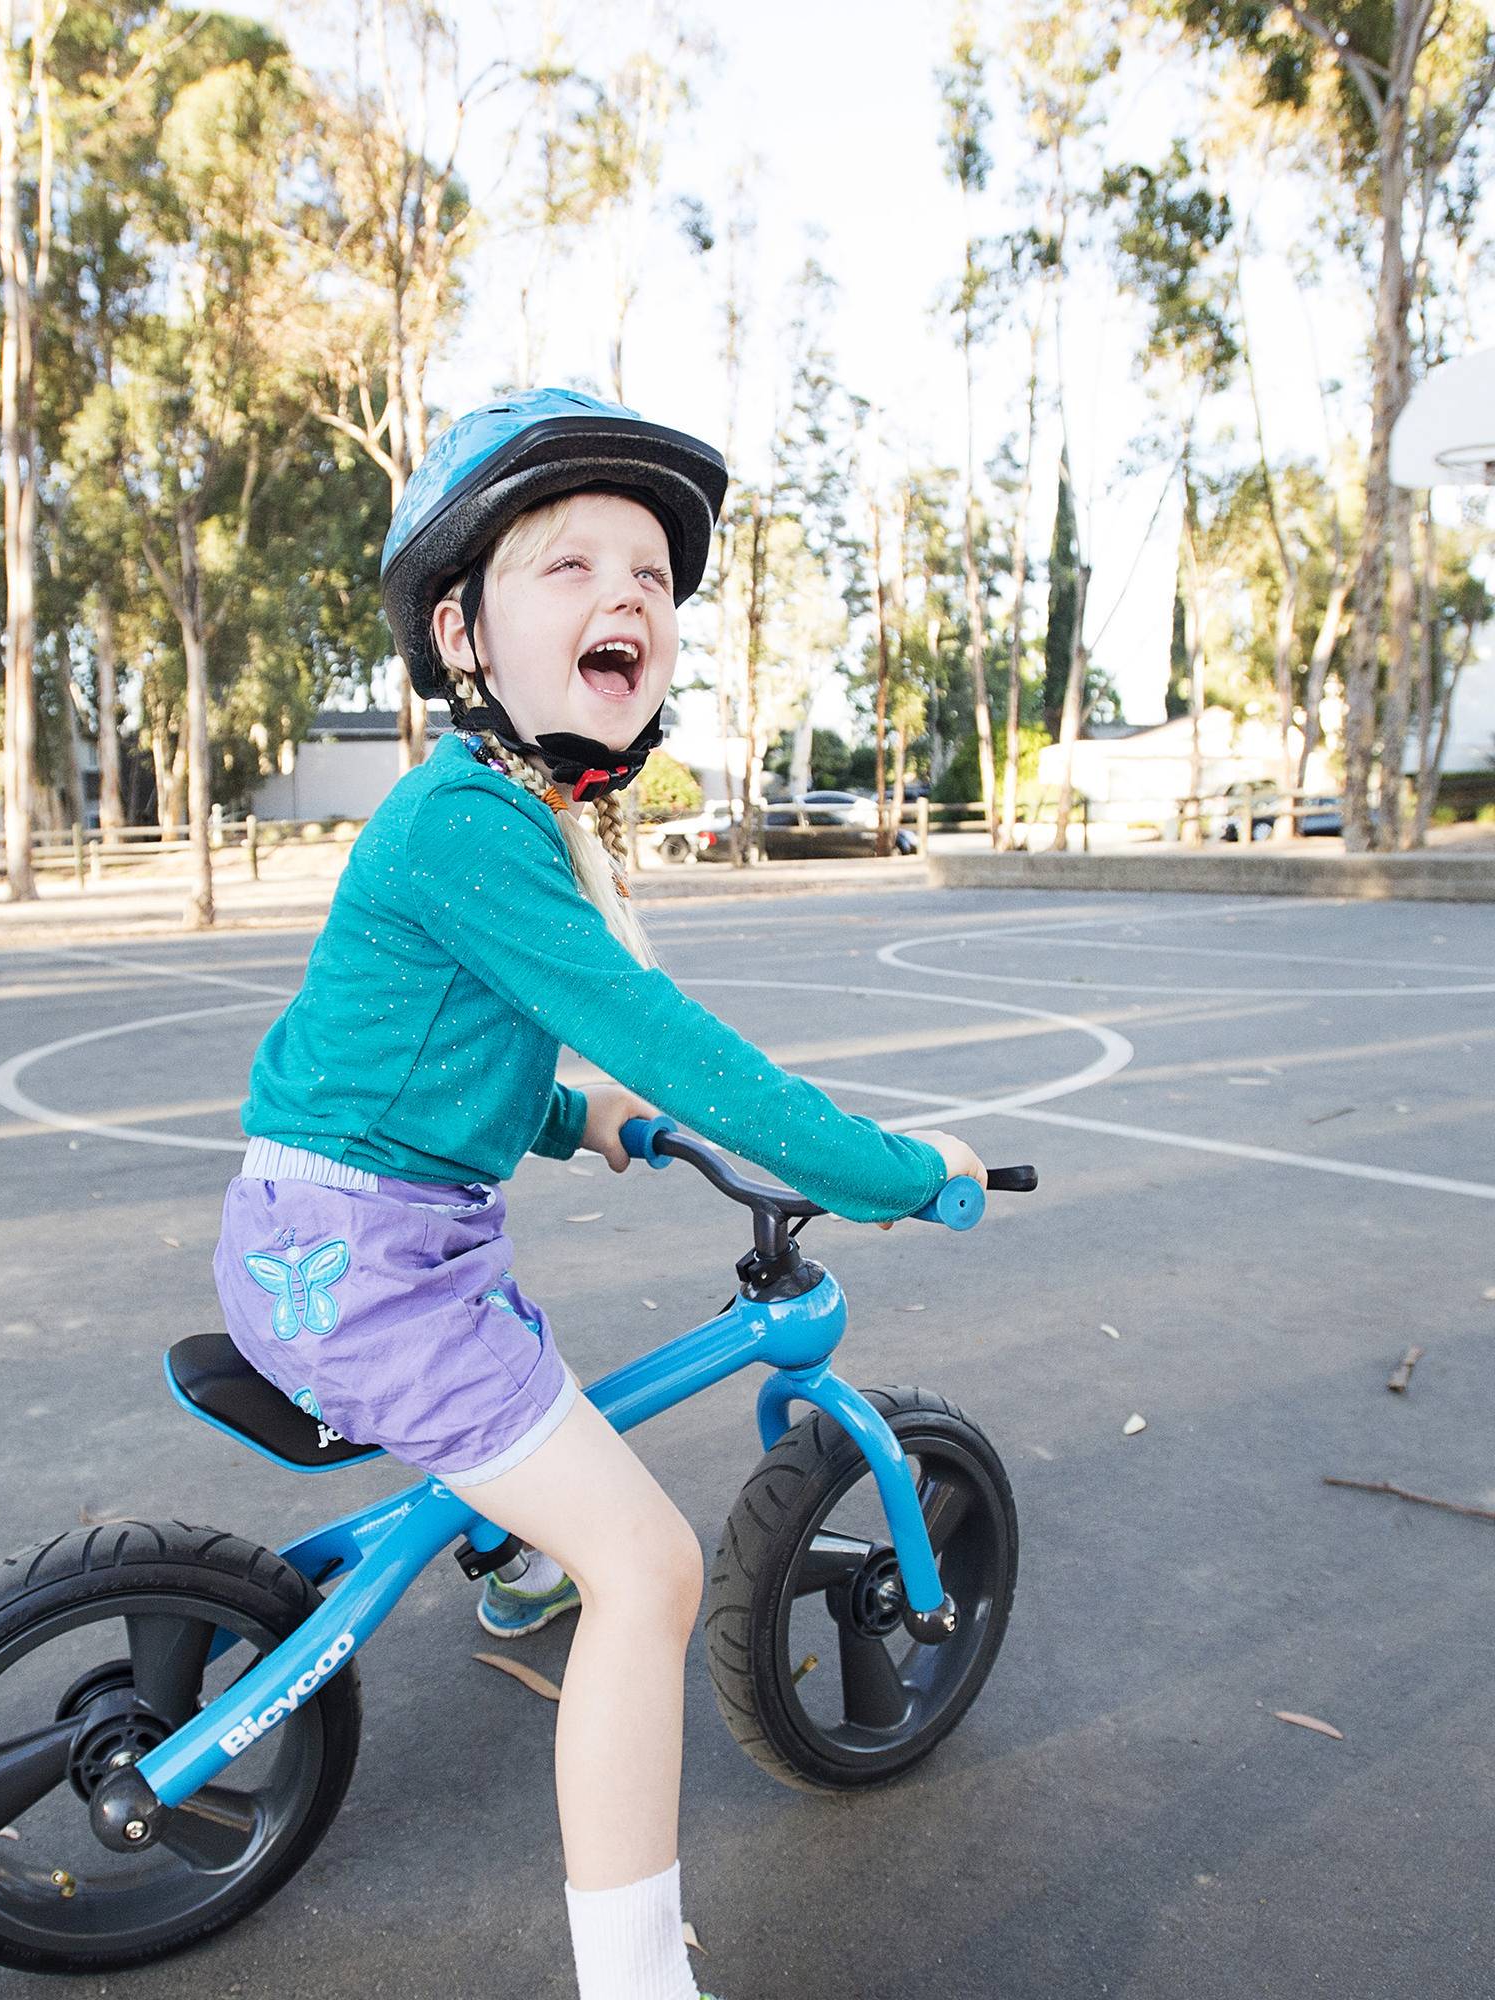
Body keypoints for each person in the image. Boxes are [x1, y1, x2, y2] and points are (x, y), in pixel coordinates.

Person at [212, 388, 986, 2000]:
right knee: (654, 1569)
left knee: (543, 1402)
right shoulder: (469, 823)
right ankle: (637, 1980)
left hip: (370, 1232)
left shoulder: (510, 816)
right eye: (565, 565)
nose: (624, 592)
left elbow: (423, 1054)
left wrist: (583, 1127)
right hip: (365, 1265)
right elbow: (689, 1053)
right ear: (463, 630)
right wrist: (906, 1177)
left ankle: (510, 1559)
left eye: (649, 573)